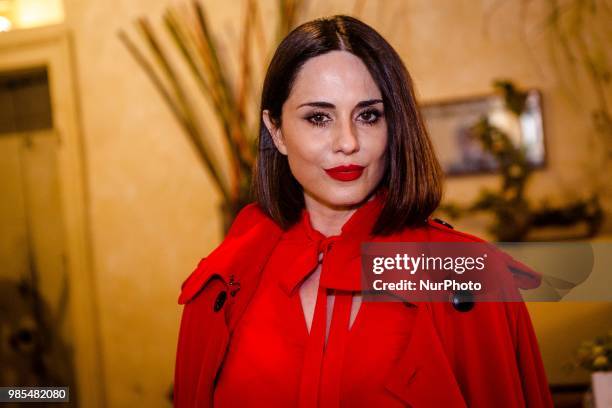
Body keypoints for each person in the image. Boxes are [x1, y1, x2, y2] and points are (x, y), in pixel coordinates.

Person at [173, 15, 553, 408]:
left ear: (394, 124)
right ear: (277, 131)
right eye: (318, 118)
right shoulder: (222, 284)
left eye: (368, 115)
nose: (348, 142)